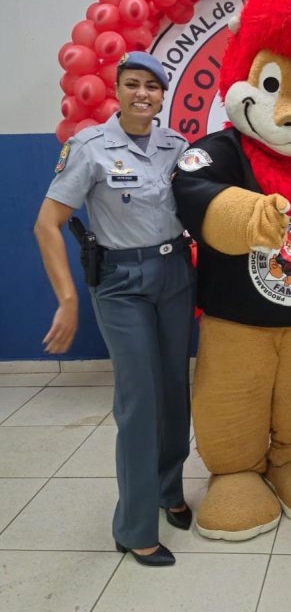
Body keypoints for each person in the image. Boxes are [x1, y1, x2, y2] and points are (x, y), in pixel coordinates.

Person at [34, 51, 196, 566]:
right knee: (139, 400)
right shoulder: (90, 147)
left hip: (175, 276)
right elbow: (46, 224)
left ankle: (169, 490)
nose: (142, 94)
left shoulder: (177, 146)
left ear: (162, 95)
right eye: (132, 84)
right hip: (122, 284)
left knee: (174, 391)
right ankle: (134, 528)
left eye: (152, 86)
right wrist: (67, 299)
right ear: (118, 91)